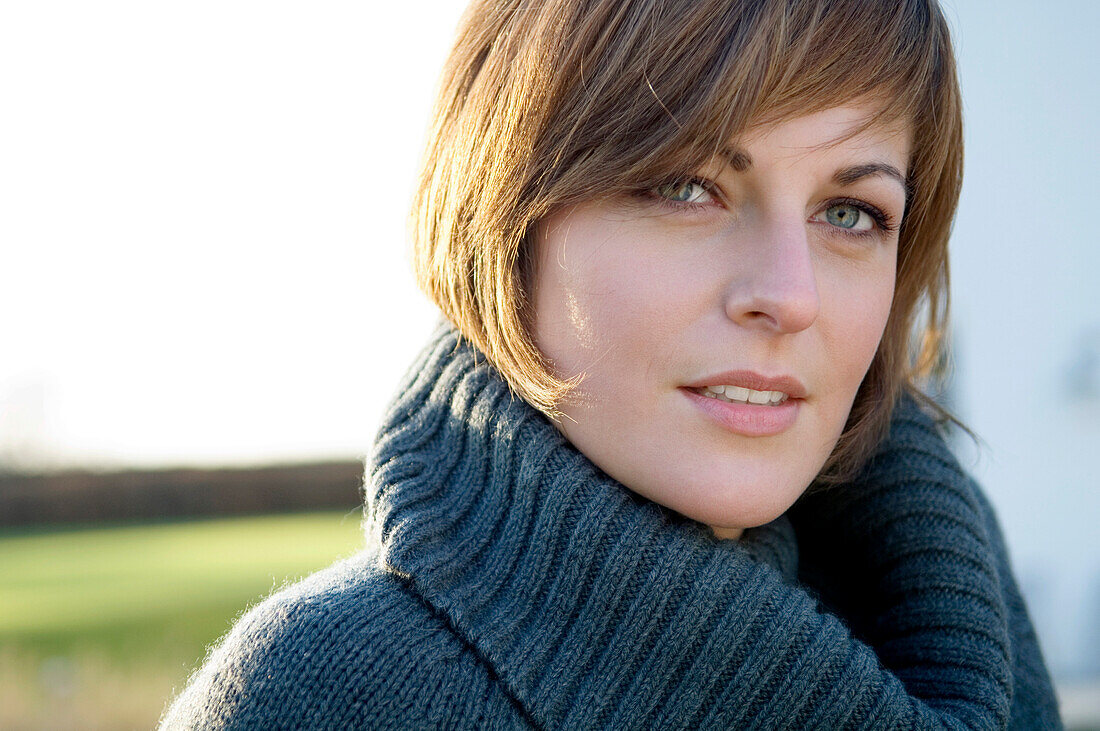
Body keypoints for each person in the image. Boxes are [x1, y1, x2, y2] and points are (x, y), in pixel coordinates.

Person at [161, 0, 1062, 727]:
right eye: (685, 186)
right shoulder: (320, 695)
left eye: (851, 213)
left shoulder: (965, 623)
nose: (791, 297)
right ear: (508, 212)